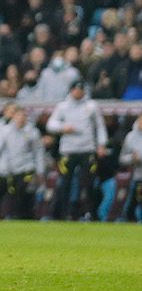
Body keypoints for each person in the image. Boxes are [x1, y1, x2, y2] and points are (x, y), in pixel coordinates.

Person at [46, 81, 108, 220]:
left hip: (87, 149)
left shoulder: (91, 106)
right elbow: (51, 124)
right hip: (69, 150)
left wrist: (101, 144)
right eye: (76, 89)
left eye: (81, 89)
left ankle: (89, 212)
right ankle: (65, 213)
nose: (78, 92)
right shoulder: (63, 106)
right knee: (65, 183)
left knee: (88, 183)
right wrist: (63, 127)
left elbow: (99, 127)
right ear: (71, 90)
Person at [0, 106, 45, 220]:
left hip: (26, 167)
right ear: (14, 117)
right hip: (9, 168)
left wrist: (40, 171)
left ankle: (24, 217)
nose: (21, 118)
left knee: (23, 191)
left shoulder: (32, 132)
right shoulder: (5, 131)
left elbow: (38, 153)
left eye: (23, 116)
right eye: (18, 116)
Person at [118, 114, 142, 222]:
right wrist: (132, 158)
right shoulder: (131, 136)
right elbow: (122, 159)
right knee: (132, 205)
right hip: (138, 176)